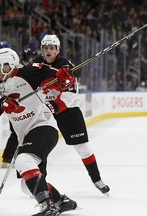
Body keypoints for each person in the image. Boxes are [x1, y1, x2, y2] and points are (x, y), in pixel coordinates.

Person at [0, 48, 77, 216]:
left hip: (43, 126)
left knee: (23, 161)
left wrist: (64, 79)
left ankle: (47, 206)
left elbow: (63, 81)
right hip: (25, 136)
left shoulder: (31, 72)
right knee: (27, 187)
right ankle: (61, 201)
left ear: (8, 66)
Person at [35, 34, 110, 196]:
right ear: (42, 49)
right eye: (46, 48)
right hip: (44, 109)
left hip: (67, 110)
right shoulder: (36, 64)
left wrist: (54, 102)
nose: (48, 51)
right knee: (39, 145)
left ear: (57, 50)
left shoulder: (66, 66)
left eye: (52, 48)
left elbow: (71, 94)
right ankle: (38, 183)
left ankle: (97, 179)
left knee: (83, 148)